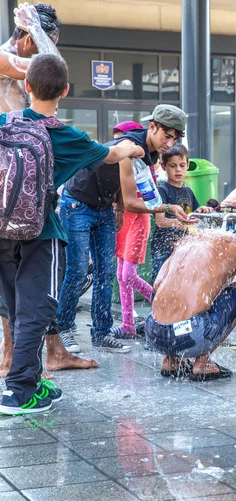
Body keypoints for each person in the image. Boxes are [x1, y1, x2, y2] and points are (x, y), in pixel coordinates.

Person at [0, 54, 143, 415]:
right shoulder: (68, 136)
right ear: (64, 90)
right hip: (41, 232)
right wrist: (134, 147)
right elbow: (113, 153)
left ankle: (30, 380)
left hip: (2, 231)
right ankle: (18, 391)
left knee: (18, 308)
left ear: (27, 87)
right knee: (36, 309)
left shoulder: (5, 124)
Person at [0, 2, 99, 376]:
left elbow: (52, 70)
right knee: (19, 279)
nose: (46, 47)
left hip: (23, 178)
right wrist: (39, 32)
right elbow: (55, 68)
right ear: (26, 37)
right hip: (9, 183)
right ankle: (13, 356)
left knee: (36, 277)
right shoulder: (3, 58)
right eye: (42, 40)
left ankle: (49, 351)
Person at [57, 104, 193, 353]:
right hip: (77, 202)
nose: (169, 142)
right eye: (166, 135)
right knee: (77, 271)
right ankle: (63, 329)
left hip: (104, 206)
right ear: (152, 127)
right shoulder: (133, 147)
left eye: (175, 137)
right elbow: (132, 201)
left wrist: (118, 208)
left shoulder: (151, 152)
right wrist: (168, 207)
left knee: (105, 274)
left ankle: (101, 333)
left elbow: (124, 193)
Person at [145, 231, 236, 380]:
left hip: (154, 332)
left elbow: (157, 285)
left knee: (180, 303)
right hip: (190, 335)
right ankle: (203, 363)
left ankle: (171, 361)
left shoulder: (186, 241)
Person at [110, 120, 153, 340]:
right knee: (120, 275)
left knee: (129, 275)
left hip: (138, 219)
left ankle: (161, 302)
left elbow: (148, 196)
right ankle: (128, 324)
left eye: (122, 140)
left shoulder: (142, 163)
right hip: (123, 220)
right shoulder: (120, 162)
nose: (118, 146)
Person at [150, 144, 212, 281]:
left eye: (182, 165)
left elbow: (192, 213)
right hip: (163, 250)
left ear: (188, 165)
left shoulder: (188, 190)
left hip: (183, 248)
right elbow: (160, 221)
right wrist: (180, 223)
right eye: (173, 166)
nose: (178, 169)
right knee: (161, 287)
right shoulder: (162, 190)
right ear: (163, 165)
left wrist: (200, 211)